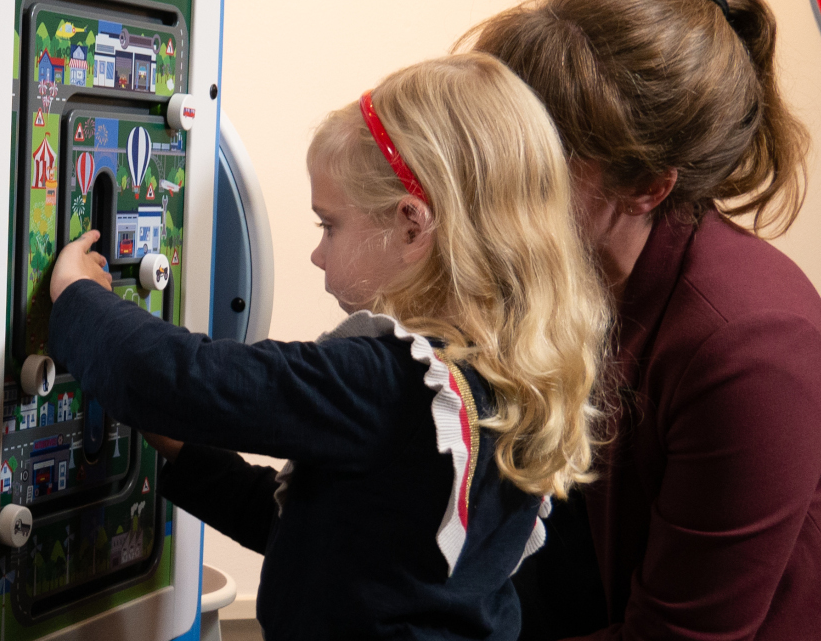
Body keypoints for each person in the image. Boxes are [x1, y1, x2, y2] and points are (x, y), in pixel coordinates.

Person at [47, 53, 612, 639]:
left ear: (412, 227)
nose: (318, 252)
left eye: (329, 225)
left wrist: (76, 297)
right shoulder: (503, 374)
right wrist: (184, 452)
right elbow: (317, 535)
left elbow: (181, 378)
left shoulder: (389, 380)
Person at [473, 0, 821, 641]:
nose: (485, 180)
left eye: (531, 158)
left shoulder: (749, 345)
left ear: (646, 187)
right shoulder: (560, 286)